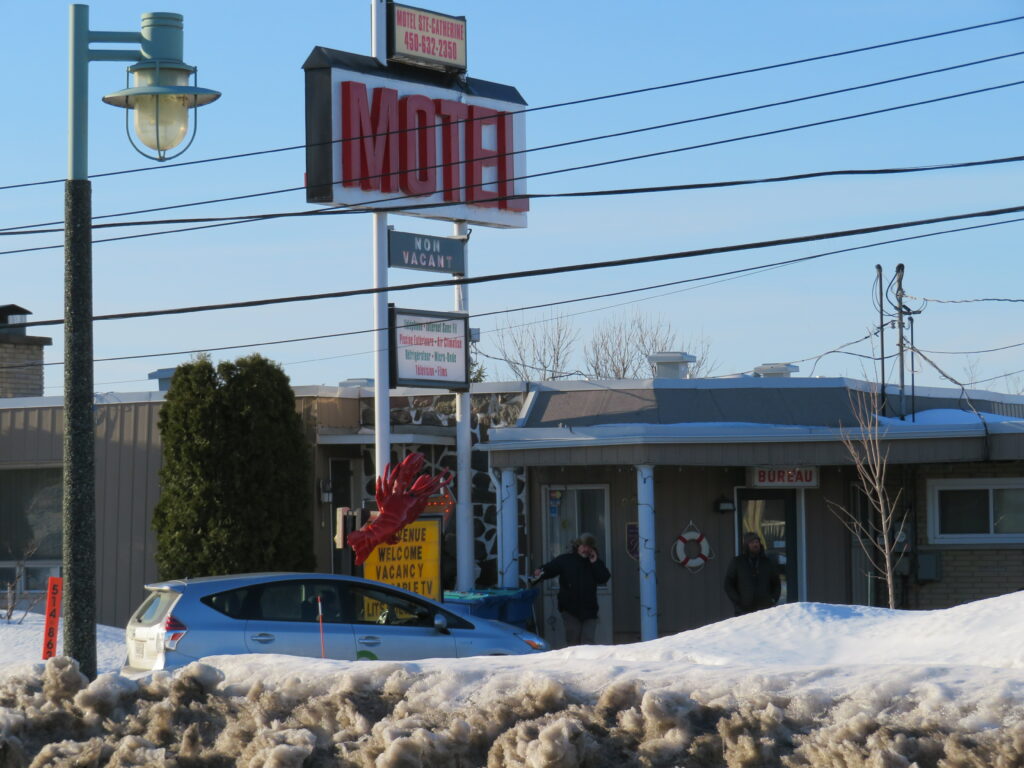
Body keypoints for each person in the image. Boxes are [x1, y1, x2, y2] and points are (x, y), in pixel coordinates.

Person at [532, 533, 611, 646]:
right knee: (573, 641)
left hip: (590, 610)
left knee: (588, 643)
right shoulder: (566, 560)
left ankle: (588, 664)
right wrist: (540, 570)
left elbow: (604, 577)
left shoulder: (595, 563)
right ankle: (574, 664)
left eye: (589, 547)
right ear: (577, 546)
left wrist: (595, 562)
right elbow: (550, 568)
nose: (586, 549)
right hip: (570, 609)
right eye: (583, 546)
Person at [724, 531, 781, 616]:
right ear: (746, 545)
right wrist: (737, 602)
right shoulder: (737, 562)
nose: (755, 544)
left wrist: (773, 599)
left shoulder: (767, 563)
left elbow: (776, 583)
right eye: (752, 542)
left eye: (757, 542)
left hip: (765, 610)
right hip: (743, 610)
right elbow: (728, 584)